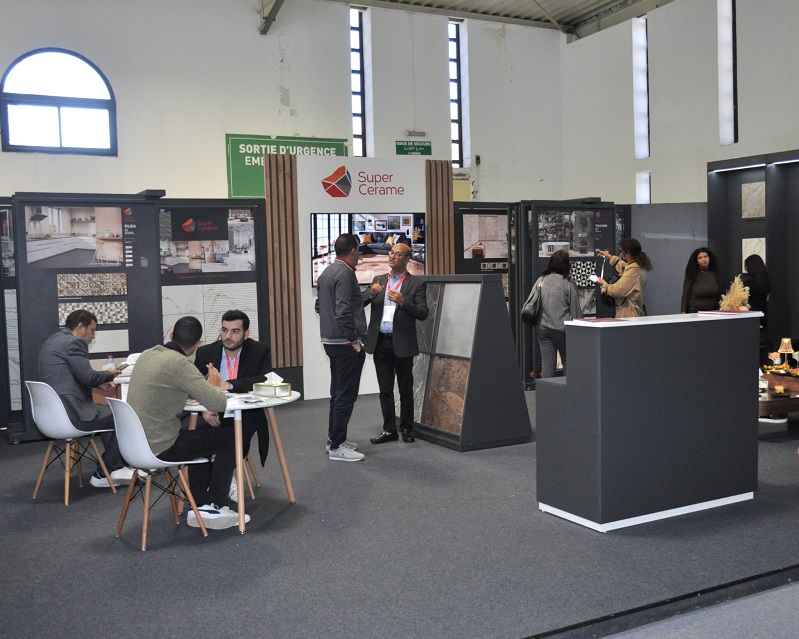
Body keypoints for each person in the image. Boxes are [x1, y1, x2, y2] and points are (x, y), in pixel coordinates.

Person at [127, 316, 245, 530]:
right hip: (161, 446)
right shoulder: (180, 364)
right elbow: (217, 402)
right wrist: (213, 385)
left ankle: (200, 503)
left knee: (199, 434)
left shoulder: (147, 355)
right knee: (230, 437)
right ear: (197, 344)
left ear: (171, 335)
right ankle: (216, 505)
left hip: (133, 444)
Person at [38, 309, 134, 488]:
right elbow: (88, 376)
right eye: (92, 330)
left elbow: (71, 376)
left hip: (51, 415)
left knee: (109, 413)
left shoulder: (53, 340)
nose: (93, 336)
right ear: (80, 327)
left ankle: (113, 467)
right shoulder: (74, 342)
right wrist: (109, 374)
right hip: (70, 414)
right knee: (121, 415)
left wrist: (99, 384)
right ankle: (108, 470)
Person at [192, 309, 272, 501]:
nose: (228, 336)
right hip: (212, 411)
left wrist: (229, 384)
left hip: (245, 413)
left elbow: (265, 379)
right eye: (224, 330)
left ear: (246, 333)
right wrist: (204, 409)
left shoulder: (259, 350)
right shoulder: (205, 352)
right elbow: (193, 385)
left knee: (233, 439)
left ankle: (219, 489)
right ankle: (205, 491)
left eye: (235, 331)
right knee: (194, 437)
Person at [364, 243, 429, 444]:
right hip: (380, 342)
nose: (392, 256)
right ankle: (389, 430)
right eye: (391, 253)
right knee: (385, 390)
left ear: (407, 259)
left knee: (405, 389)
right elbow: (360, 302)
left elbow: (423, 313)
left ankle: (407, 428)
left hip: (402, 343)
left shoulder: (416, 284)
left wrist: (403, 302)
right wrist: (370, 293)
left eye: (397, 254)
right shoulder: (379, 279)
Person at [316, 233, 367, 461]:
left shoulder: (327, 271)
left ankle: (333, 440)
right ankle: (337, 447)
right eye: (359, 250)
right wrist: (354, 341)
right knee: (345, 395)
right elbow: (344, 310)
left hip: (330, 341)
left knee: (337, 394)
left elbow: (319, 306)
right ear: (353, 250)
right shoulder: (346, 273)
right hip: (345, 344)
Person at [535, 250, 582, 378]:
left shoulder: (541, 280)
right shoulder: (568, 283)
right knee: (568, 362)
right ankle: (570, 389)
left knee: (547, 364)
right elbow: (576, 311)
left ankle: (547, 390)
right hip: (563, 330)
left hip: (542, 329)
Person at [596, 238, 652, 318]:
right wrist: (610, 257)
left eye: (621, 251)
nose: (621, 254)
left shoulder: (634, 270)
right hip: (631, 314)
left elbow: (616, 291)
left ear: (628, 253)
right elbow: (624, 267)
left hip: (629, 316)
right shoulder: (637, 266)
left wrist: (604, 284)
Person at [680, 247, 721, 313]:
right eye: (700, 258)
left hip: (712, 310)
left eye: (705, 257)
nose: (704, 260)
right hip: (694, 310)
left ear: (709, 258)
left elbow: (719, 294)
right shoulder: (692, 274)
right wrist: (683, 312)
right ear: (696, 261)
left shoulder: (715, 274)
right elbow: (685, 295)